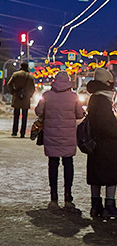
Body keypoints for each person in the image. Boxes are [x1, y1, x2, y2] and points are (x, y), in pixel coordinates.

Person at [35, 71, 85, 206]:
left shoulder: (47, 96)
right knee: (68, 163)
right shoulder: (74, 97)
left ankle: (54, 194)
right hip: (68, 137)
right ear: (68, 81)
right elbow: (80, 115)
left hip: (51, 136)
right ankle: (68, 194)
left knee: (53, 164)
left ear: (55, 81)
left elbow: (39, 112)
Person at [86, 68, 117, 220]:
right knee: (111, 174)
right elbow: (103, 124)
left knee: (97, 175)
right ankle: (109, 206)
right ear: (105, 83)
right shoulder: (102, 99)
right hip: (106, 145)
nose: (113, 85)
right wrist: (115, 134)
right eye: (110, 82)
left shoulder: (96, 97)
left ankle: (96, 206)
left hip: (98, 144)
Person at [7, 62, 36, 138]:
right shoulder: (30, 77)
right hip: (25, 99)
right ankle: (22, 133)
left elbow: (9, 84)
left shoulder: (16, 74)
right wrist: (29, 95)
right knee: (24, 116)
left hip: (16, 97)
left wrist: (13, 92)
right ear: (27, 67)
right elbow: (33, 88)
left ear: (21, 67)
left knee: (16, 115)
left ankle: (14, 131)